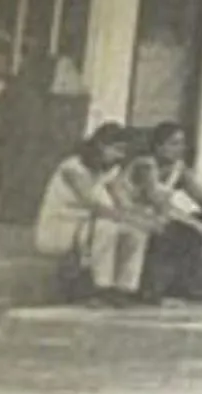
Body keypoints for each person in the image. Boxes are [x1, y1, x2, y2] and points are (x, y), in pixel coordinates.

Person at [34, 123, 158, 305]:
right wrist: (129, 218)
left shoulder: (109, 171)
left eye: (124, 151)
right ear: (101, 145)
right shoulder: (73, 168)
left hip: (88, 225)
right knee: (107, 227)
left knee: (135, 233)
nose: (120, 156)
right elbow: (93, 205)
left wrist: (143, 219)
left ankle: (124, 288)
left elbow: (121, 202)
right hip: (61, 226)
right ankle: (101, 287)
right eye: (117, 149)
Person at [125, 122, 202, 303]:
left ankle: (183, 286)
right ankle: (149, 289)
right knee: (175, 231)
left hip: (159, 218)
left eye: (181, 143)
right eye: (173, 143)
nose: (179, 149)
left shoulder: (178, 169)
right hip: (133, 215)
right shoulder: (145, 165)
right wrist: (198, 226)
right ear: (158, 146)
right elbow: (160, 203)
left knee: (193, 227)